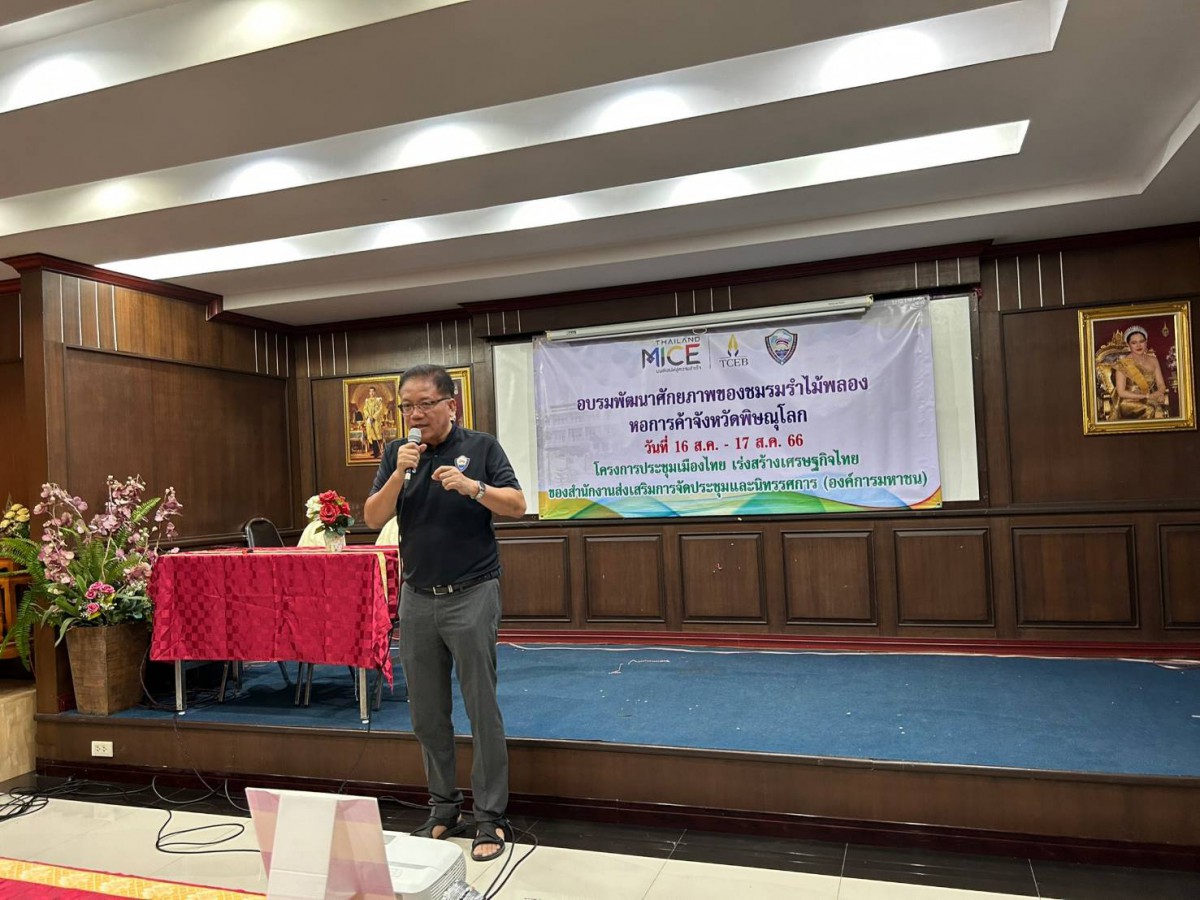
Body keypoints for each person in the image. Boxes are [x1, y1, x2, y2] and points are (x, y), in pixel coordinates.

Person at [363, 364, 526, 863]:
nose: (415, 415)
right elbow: (371, 517)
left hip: (472, 591)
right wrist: (398, 473)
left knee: (480, 706)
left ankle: (490, 816)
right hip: (417, 596)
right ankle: (443, 807)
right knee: (427, 712)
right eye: (406, 407)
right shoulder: (398, 453)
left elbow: (517, 505)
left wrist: (473, 488)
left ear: (450, 405)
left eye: (424, 404)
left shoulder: (482, 447)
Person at [1114, 325, 1169, 419]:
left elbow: (1161, 384)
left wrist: (1159, 393)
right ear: (1128, 345)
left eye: (1141, 341)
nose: (1138, 345)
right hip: (1129, 402)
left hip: (1149, 399)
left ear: (1146, 342)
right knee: (1150, 409)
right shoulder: (1123, 364)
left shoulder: (1153, 360)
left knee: (1158, 410)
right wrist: (1146, 396)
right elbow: (1121, 392)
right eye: (1134, 343)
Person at [362, 386, 386, 458]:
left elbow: (380, 409)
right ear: (369, 393)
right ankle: (374, 451)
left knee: (376, 435)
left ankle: (377, 452)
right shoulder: (367, 401)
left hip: (376, 421)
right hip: (369, 420)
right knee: (371, 436)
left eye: (373, 391)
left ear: (375, 392)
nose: (371, 393)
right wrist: (369, 416)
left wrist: (374, 417)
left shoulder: (378, 400)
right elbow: (365, 409)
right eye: (370, 391)